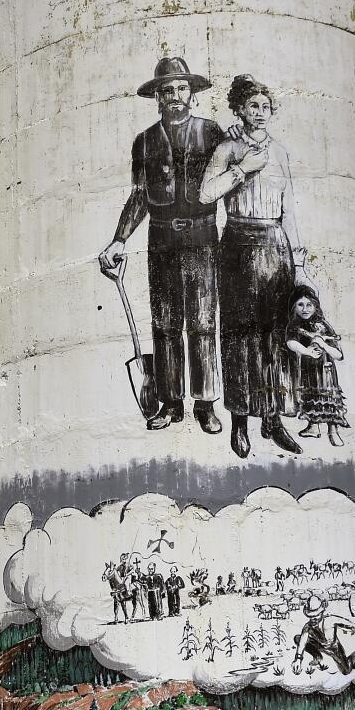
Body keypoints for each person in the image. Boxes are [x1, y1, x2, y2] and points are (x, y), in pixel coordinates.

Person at [99, 57, 224, 433]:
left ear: (192, 93)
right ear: (157, 96)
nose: (174, 96)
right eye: (167, 90)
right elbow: (139, 197)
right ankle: (171, 403)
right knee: (166, 324)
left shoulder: (212, 133)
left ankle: (205, 403)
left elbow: (231, 182)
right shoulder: (146, 141)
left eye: (181, 88)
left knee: (202, 322)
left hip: (203, 238)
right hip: (162, 239)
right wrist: (119, 239)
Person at [199, 75, 304, 458]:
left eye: (265, 107)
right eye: (252, 107)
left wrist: (299, 261)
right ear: (239, 110)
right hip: (239, 243)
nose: (260, 113)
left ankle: (272, 419)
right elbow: (206, 192)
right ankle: (240, 420)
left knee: (275, 335)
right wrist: (243, 168)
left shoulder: (280, 152)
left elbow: (288, 205)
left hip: (275, 243)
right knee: (239, 335)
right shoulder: (228, 148)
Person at [287, 285, 349, 446]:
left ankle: (333, 431)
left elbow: (339, 354)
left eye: (309, 305)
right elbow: (291, 342)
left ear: (315, 306)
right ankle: (314, 427)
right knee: (311, 398)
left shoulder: (323, 325)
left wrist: (324, 345)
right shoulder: (295, 325)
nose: (305, 309)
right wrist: (307, 351)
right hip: (308, 371)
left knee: (330, 399)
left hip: (326, 372)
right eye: (300, 304)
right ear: (294, 306)